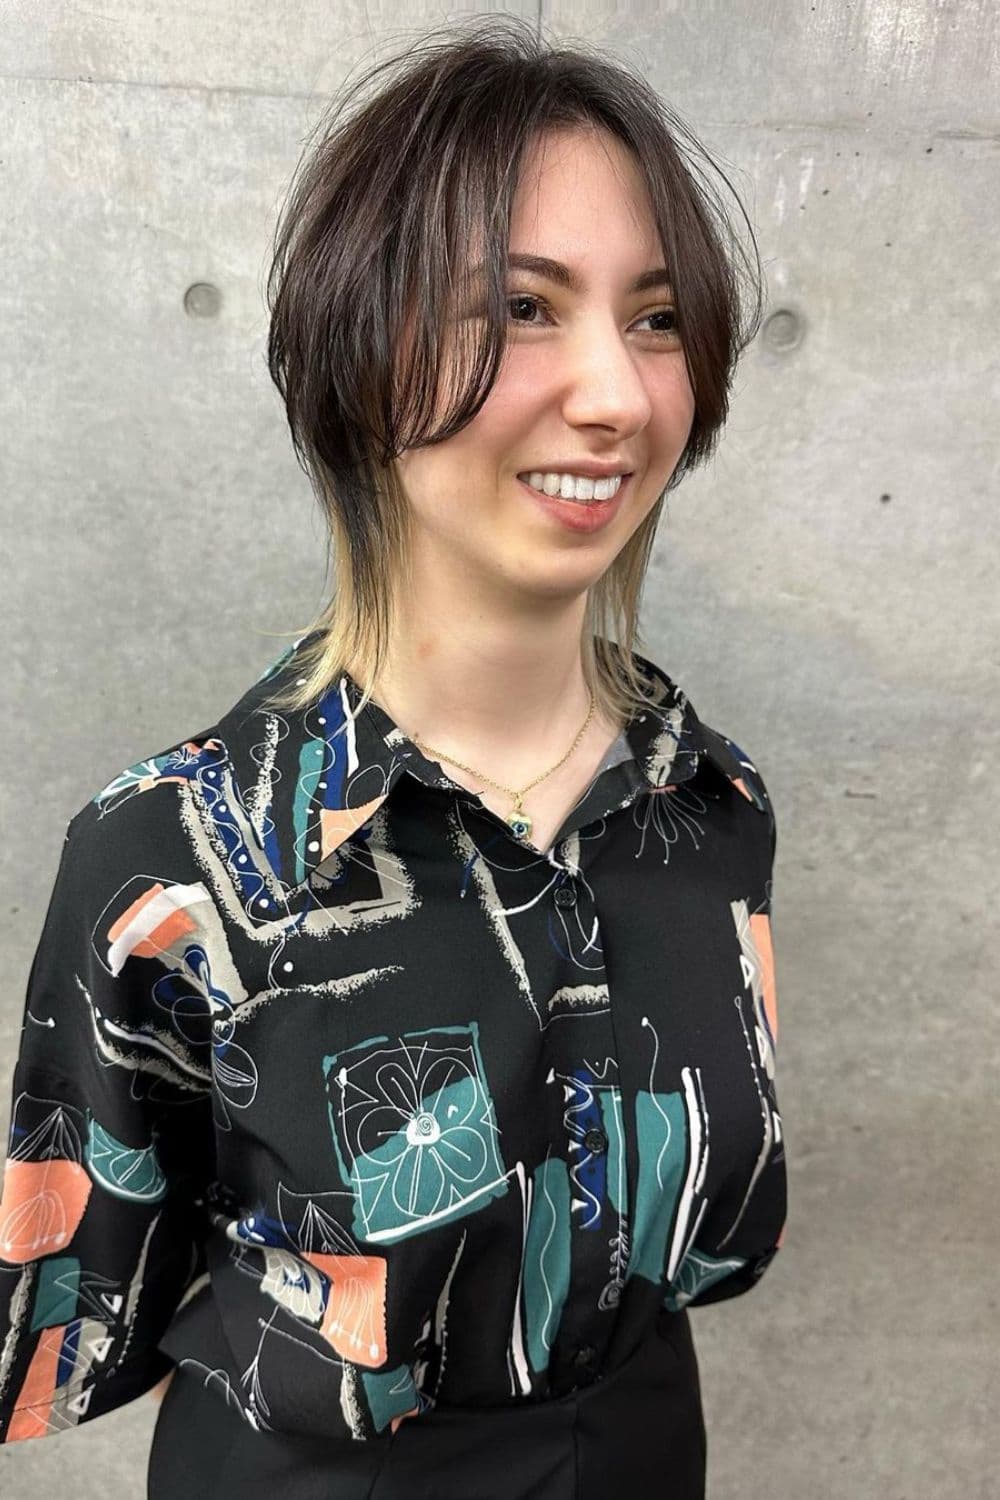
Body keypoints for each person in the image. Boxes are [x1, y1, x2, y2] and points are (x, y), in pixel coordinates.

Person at [0, 16, 786, 1498]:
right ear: (362, 343)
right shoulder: (171, 852)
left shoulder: (711, 809)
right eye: (527, 308)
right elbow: (92, 1285)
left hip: (641, 1453)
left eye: (659, 318)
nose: (617, 395)